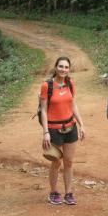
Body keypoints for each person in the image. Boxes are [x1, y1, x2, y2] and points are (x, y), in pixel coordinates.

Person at [40, 56, 85, 205]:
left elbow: (73, 105)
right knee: (56, 162)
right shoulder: (47, 86)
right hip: (54, 129)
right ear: (55, 67)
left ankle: (69, 193)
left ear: (69, 69)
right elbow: (44, 110)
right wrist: (45, 132)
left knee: (69, 162)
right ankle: (53, 192)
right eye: (61, 66)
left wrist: (82, 125)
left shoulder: (70, 83)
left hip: (70, 127)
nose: (63, 69)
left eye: (66, 67)